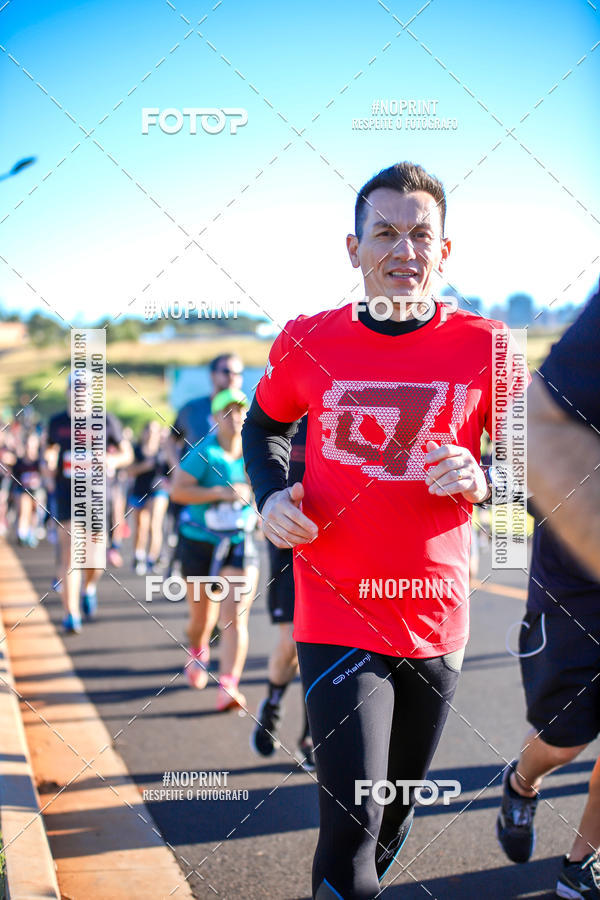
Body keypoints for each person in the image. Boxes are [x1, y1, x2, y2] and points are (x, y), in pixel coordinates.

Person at [242, 161, 526, 898]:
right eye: (386, 233)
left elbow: (538, 463)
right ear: (353, 247)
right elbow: (264, 426)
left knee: (394, 814)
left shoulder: (488, 347)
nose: (404, 250)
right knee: (352, 820)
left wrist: (488, 478)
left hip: (436, 618)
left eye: (420, 235)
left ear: (444, 250)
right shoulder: (308, 340)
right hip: (335, 606)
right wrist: (270, 497)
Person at [496, 288, 600, 899]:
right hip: (575, 584)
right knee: (564, 741)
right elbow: (529, 426)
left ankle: (581, 860)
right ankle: (521, 783)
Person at [170, 388, 259, 712]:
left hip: (238, 540)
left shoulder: (253, 451)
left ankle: (229, 685)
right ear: (215, 418)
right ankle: (197, 647)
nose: (235, 418)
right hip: (200, 541)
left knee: (234, 615)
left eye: (240, 412)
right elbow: (178, 491)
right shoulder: (203, 453)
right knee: (201, 619)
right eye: (228, 412)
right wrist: (220, 492)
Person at [250, 415, 315, 772]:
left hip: (341, 546)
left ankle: (312, 736)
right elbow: (259, 457)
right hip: (289, 543)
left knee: (327, 647)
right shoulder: (286, 412)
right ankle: (273, 703)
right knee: (292, 644)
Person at [44, 376, 133, 632]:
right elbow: (48, 449)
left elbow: (127, 454)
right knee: (70, 552)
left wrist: (112, 462)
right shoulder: (57, 422)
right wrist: (48, 461)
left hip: (96, 496)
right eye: (76, 388)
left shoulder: (106, 421)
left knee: (95, 556)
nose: (80, 393)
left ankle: (89, 586)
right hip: (66, 494)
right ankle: (71, 614)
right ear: (67, 392)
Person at [166, 353, 245, 571]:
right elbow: (170, 440)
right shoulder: (192, 408)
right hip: (193, 484)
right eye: (226, 371)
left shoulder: (247, 409)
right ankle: (178, 566)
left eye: (238, 372)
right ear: (213, 375)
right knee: (187, 535)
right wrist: (176, 468)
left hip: (232, 502)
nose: (232, 377)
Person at [127, 421, 171, 574]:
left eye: (155, 431)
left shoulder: (163, 451)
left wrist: (168, 481)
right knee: (140, 527)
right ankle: (138, 556)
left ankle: (153, 558)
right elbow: (129, 471)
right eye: (149, 430)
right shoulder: (136, 450)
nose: (152, 434)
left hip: (158, 491)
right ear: (144, 433)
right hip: (139, 490)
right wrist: (144, 466)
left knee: (154, 523)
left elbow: (172, 469)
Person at [12, 431, 43, 546]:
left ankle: (31, 533)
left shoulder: (40, 461)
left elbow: (44, 476)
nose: (31, 448)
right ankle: (22, 534)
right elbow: (15, 478)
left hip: (36, 491)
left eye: (33, 445)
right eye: (29, 445)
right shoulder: (19, 462)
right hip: (22, 490)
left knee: (35, 511)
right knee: (24, 507)